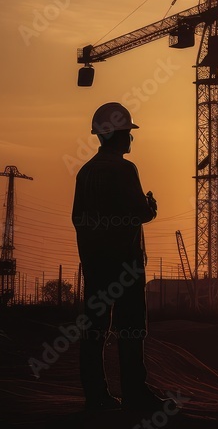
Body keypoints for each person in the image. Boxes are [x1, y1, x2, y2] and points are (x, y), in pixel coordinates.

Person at [72, 102, 168, 411]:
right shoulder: (125, 169)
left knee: (95, 329)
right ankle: (134, 393)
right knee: (130, 328)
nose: (131, 138)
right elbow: (139, 212)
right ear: (116, 135)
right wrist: (150, 207)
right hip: (125, 263)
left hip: (95, 263)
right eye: (128, 133)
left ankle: (96, 394)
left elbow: (78, 218)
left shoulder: (85, 172)